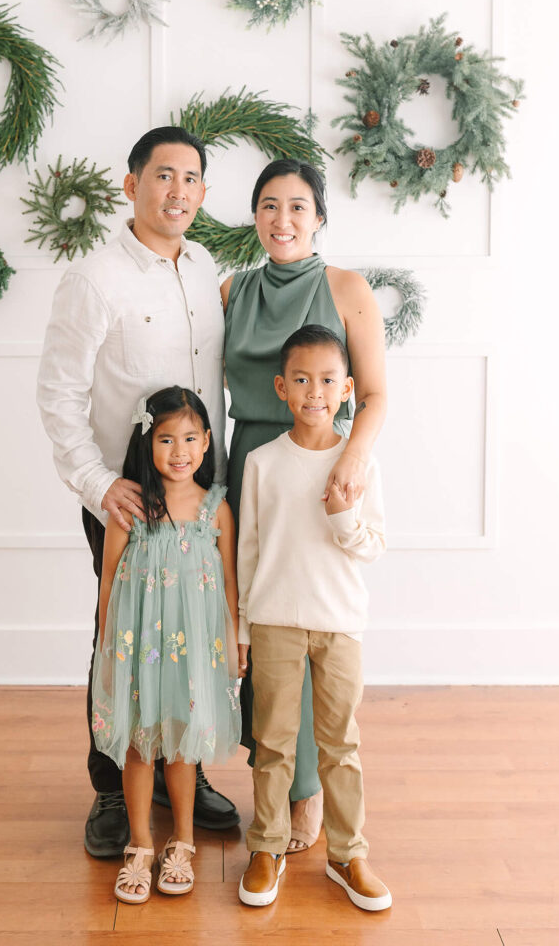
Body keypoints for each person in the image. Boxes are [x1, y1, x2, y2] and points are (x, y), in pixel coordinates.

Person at [37, 127, 240, 860]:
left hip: (198, 498)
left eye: (190, 179)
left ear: (203, 193)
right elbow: (59, 393)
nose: (177, 191)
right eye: (162, 176)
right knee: (122, 639)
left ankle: (183, 772)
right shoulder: (95, 278)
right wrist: (99, 486)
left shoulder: (206, 267)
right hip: (128, 500)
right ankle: (109, 788)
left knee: (192, 634)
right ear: (132, 185)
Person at [222, 158, 387, 852]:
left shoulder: (347, 288)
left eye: (297, 206)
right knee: (260, 621)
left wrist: (352, 457)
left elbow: (373, 393)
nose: (282, 219)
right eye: (268, 205)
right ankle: (269, 773)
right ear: (255, 216)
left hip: (324, 461)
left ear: (319, 216)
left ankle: (309, 789)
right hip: (252, 461)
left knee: (315, 618)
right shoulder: (231, 289)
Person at [236, 325, 391, 910]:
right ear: (281, 387)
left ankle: (348, 854)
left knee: (340, 744)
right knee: (273, 742)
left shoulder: (360, 464)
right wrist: (243, 627)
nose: (314, 392)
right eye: (301, 380)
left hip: (340, 622)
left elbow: (373, 545)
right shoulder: (261, 463)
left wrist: (344, 515)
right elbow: (248, 551)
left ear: (347, 389)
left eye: (328, 380)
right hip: (274, 620)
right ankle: (267, 846)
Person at [91, 387, 242, 903]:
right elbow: (109, 583)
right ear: (147, 442)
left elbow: (229, 584)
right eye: (166, 439)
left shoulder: (215, 509)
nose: (180, 451)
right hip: (139, 649)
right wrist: (108, 649)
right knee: (139, 746)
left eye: (190, 438)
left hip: (191, 653)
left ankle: (182, 841)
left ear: (207, 443)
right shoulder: (132, 507)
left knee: (181, 747)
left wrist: (233, 644)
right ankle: (139, 844)